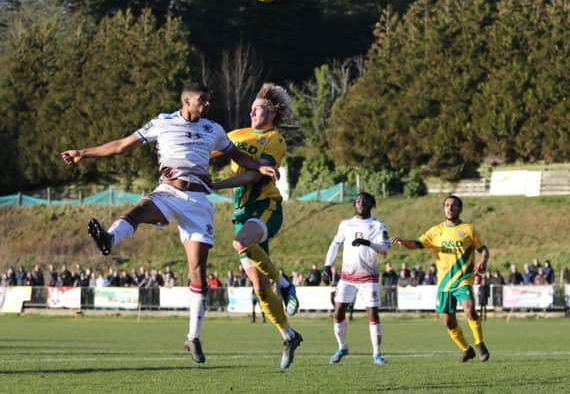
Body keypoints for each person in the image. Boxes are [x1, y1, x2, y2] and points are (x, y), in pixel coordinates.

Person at [61, 82, 278, 364]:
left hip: (199, 202)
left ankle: (193, 337)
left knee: (198, 270)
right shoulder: (162, 123)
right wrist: (83, 153)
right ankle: (110, 239)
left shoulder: (213, 129)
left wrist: (258, 166)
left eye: (208, 101)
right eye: (202, 100)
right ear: (186, 102)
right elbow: (121, 146)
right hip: (169, 191)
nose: (206, 105)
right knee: (140, 209)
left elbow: (236, 155)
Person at [212, 83, 302, 369]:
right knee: (260, 289)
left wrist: (215, 184)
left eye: (258, 107)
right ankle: (288, 335)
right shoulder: (236, 135)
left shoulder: (275, 140)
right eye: (251, 107)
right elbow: (203, 150)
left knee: (241, 242)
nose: (251, 111)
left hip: (265, 208)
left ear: (272, 112)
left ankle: (285, 284)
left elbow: (252, 176)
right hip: (240, 214)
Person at [391, 195, 491, 363]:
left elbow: (484, 249)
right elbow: (417, 243)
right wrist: (403, 242)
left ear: (460, 209)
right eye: (446, 205)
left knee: (469, 309)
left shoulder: (468, 229)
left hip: (463, 279)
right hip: (444, 283)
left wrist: (483, 260)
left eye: (453, 205)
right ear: (444, 208)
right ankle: (467, 350)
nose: (449, 208)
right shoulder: (436, 231)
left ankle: (480, 344)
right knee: (449, 322)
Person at [323, 191, 391, 366]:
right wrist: (327, 265)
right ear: (354, 204)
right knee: (338, 312)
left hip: (369, 278)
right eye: (358, 200)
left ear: (371, 204)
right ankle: (342, 347)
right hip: (347, 277)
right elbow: (335, 244)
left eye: (365, 200)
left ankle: (377, 354)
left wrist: (368, 243)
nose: (361, 203)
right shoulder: (345, 224)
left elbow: (384, 249)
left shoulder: (378, 225)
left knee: (373, 314)